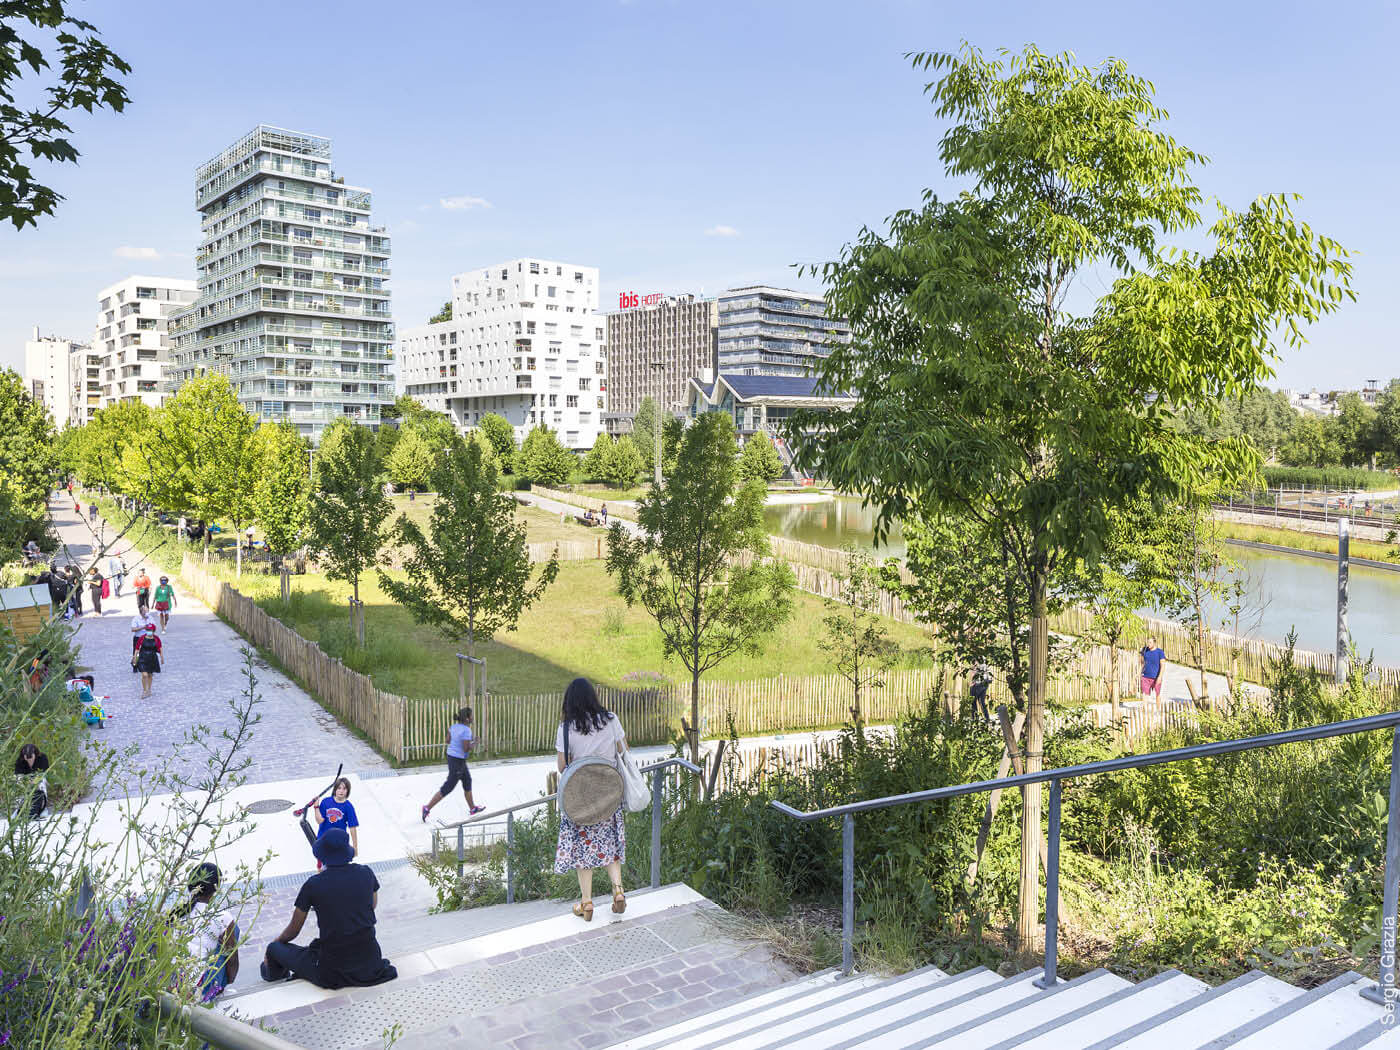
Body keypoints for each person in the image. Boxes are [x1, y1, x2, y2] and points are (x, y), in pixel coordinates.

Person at [259, 827, 396, 989]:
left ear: (322, 856)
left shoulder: (314, 884)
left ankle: (277, 975)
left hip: (332, 969)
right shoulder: (366, 873)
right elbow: (372, 906)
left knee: (274, 949)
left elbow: (294, 930)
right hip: (370, 961)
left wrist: (277, 943)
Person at [555, 677, 628, 921]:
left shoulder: (566, 728)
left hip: (581, 798)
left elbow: (562, 766)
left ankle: (586, 902)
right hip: (608, 794)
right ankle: (618, 890)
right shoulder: (611, 719)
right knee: (610, 845)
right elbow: (623, 750)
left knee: (582, 850)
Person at [172, 862, 240, 1002]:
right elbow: (231, 960)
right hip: (201, 987)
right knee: (232, 930)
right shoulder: (222, 917)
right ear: (217, 888)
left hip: (174, 981)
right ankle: (217, 990)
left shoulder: (177, 912)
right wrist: (229, 980)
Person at [420, 707, 485, 822]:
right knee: (448, 787)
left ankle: (472, 808)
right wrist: (475, 742)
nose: (472, 717)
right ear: (467, 718)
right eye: (471, 716)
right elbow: (465, 749)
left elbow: (448, 740)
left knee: (467, 781)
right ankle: (427, 807)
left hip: (452, 757)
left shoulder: (453, 727)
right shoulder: (466, 730)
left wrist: (461, 741)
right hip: (457, 761)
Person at [314, 777, 360, 868]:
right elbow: (320, 821)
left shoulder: (348, 807)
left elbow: (352, 828)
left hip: (339, 841)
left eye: (344, 788)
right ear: (335, 789)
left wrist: (355, 847)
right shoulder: (326, 802)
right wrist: (316, 808)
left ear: (348, 791)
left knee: (337, 866)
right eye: (339, 788)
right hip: (324, 839)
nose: (341, 791)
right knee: (321, 867)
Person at [14, 743, 50, 821]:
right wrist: (24, 783)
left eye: (31, 758)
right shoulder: (20, 760)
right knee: (18, 786)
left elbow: (44, 773)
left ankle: (43, 808)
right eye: (27, 759)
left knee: (41, 784)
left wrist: (35, 781)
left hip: (39, 777)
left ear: (35, 754)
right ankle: (19, 809)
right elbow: (18, 776)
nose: (30, 760)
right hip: (26, 779)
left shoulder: (42, 757)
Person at [133, 623, 163, 698]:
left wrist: (162, 658)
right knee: (144, 675)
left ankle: (149, 689)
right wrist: (134, 658)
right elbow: (137, 648)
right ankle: (144, 690)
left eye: (151, 630)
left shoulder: (156, 638)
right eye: (148, 630)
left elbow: (160, 648)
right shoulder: (142, 638)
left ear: (154, 631)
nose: (149, 631)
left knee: (150, 675)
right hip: (142, 657)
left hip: (152, 658)